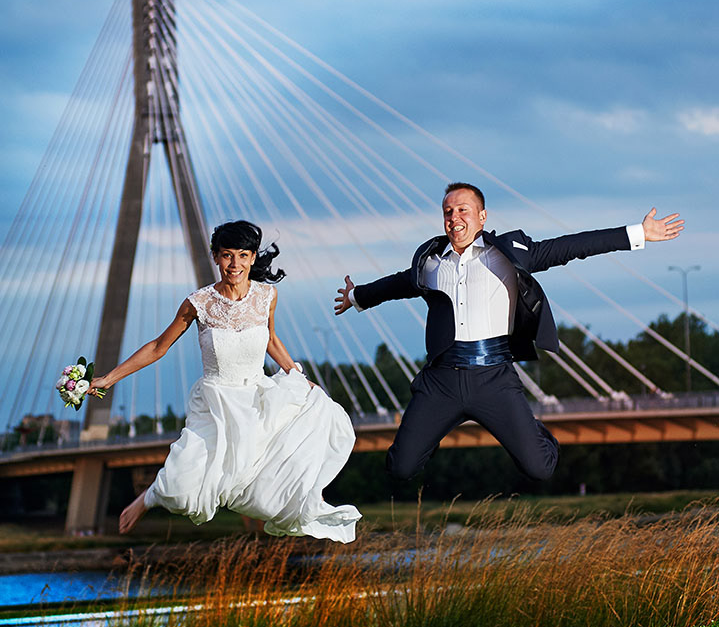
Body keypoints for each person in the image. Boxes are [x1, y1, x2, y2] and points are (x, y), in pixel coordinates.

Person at [334, 183, 684, 486]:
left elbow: (571, 247)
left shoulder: (508, 254)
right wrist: (356, 296)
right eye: (448, 211)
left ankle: (533, 429)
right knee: (400, 468)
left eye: (463, 210)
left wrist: (637, 233)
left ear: (482, 216)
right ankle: (433, 430)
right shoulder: (430, 263)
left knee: (540, 468)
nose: (455, 217)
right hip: (441, 381)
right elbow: (397, 284)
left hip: (494, 378)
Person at [90, 220, 361, 541]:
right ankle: (149, 497)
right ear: (216, 256)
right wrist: (109, 378)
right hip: (216, 403)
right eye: (227, 255)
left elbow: (272, 340)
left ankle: (306, 497)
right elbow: (158, 347)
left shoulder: (267, 296)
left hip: (258, 399)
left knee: (276, 480)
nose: (235, 264)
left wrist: (298, 376)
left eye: (243, 255)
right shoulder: (198, 303)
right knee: (183, 490)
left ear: (253, 257)